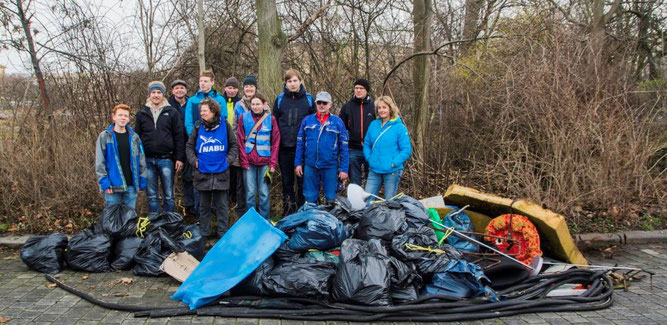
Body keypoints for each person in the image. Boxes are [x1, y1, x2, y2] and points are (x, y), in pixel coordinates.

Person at [185, 98, 239, 238]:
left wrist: (228, 161)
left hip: (221, 172)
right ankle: (204, 234)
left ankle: (223, 234)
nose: (201, 113)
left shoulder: (225, 126)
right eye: (201, 110)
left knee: (221, 207)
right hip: (202, 173)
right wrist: (194, 161)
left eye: (204, 110)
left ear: (213, 111)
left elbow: (234, 145)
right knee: (203, 207)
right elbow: (189, 147)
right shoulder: (197, 127)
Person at [134, 81, 185, 214]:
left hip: (167, 159)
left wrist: (179, 157)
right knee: (151, 195)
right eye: (153, 92)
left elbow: (179, 136)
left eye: (159, 92)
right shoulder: (142, 113)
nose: (156, 95)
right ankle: (154, 222)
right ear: (149, 94)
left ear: (163, 94)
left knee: (168, 194)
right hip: (148, 159)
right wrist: (137, 158)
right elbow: (136, 138)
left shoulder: (172, 112)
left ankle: (169, 222)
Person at [295, 91, 349, 204]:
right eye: (319, 102)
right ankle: (312, 220)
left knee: (331, 197)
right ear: (315, 104)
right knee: (309, 197)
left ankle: (330, 220)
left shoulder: (337, 122)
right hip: (310, 165)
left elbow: (344, 147)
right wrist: (298, 163)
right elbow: (300, 143)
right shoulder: (307, 120)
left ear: (330, 104)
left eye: (324, 103)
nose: (321, 105)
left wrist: (344, 168)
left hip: (330, 166)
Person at [273, 69, 315, 214]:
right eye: (289, 81)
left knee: (303, 183)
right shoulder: (280, 99)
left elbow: (314, 123)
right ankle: (288, 214)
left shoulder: (309, 99)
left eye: (295, 81)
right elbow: (275, 123)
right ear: (285, 83)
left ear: (300, 81)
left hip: (302, 149)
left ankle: (302, 213)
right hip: (284, 149)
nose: (292, 84)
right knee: (287, 183)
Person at [237, 92, 280, 219]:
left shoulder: (271, 119)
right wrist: (243, 161)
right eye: (253, 104)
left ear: (264, 105)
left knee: (264, 193)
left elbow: (276, 141)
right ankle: (251, 220)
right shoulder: (243, 117)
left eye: (258, 104)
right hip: (249, 162)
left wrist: (273, 163)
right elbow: (240, 140)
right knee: (250, 193)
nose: (255, 107)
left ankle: (264, 220)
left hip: (265, 162)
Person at [95, 104, 146, 208]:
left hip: (131, 185)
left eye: (126, 116)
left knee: (129, 218)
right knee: (113, 219)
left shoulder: (134, 138)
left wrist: (142, 179)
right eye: (120, 115)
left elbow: (141, 160)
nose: (123, 118)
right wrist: (104, 182)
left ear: (129, 118)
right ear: (114, 117)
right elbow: (100, 162)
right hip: (112, 186)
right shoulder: (105, 136)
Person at [363, 96, 412, 200]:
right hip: (374, 169)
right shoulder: (373, 124)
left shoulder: (399, 127)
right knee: (367, 200)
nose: (381, 110)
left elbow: (406, 150)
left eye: (384, 107)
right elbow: (367, 144)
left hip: (392, 171)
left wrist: (393, 163)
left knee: (389, 202)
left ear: (390, 108)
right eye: (379, 108)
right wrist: (369, 159)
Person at [168, 79, 196, 216]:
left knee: (189, 176)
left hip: (191, 143)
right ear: (172, 91)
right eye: (177, 88)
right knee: (171, 178)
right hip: (173, 145)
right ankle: (172, 209)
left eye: (182, 88)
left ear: (186, 90)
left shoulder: (191, 103)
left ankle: (191, 205)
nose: (179, 90)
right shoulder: (168, 105)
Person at [339, 78, 375, 186]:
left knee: (372, 181)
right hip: (353, 149)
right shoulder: (347, 106)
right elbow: (341, 128)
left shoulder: (374, 106)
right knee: (355, 182)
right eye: (356, 88)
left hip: (371, 148)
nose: (358, 90)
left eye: (361, 88)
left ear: (366, 90)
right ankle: (357, 202)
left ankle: (370, 202)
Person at [184, 70, 226, 137]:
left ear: (212, 82)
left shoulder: (220, 100)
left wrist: (218, 137)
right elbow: (188, 122)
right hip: (198, 137)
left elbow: (223, 120)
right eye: (201, 81)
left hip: (216, 138)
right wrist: (194, 137)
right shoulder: (191, 100)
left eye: (205, 81)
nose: (202, 83)